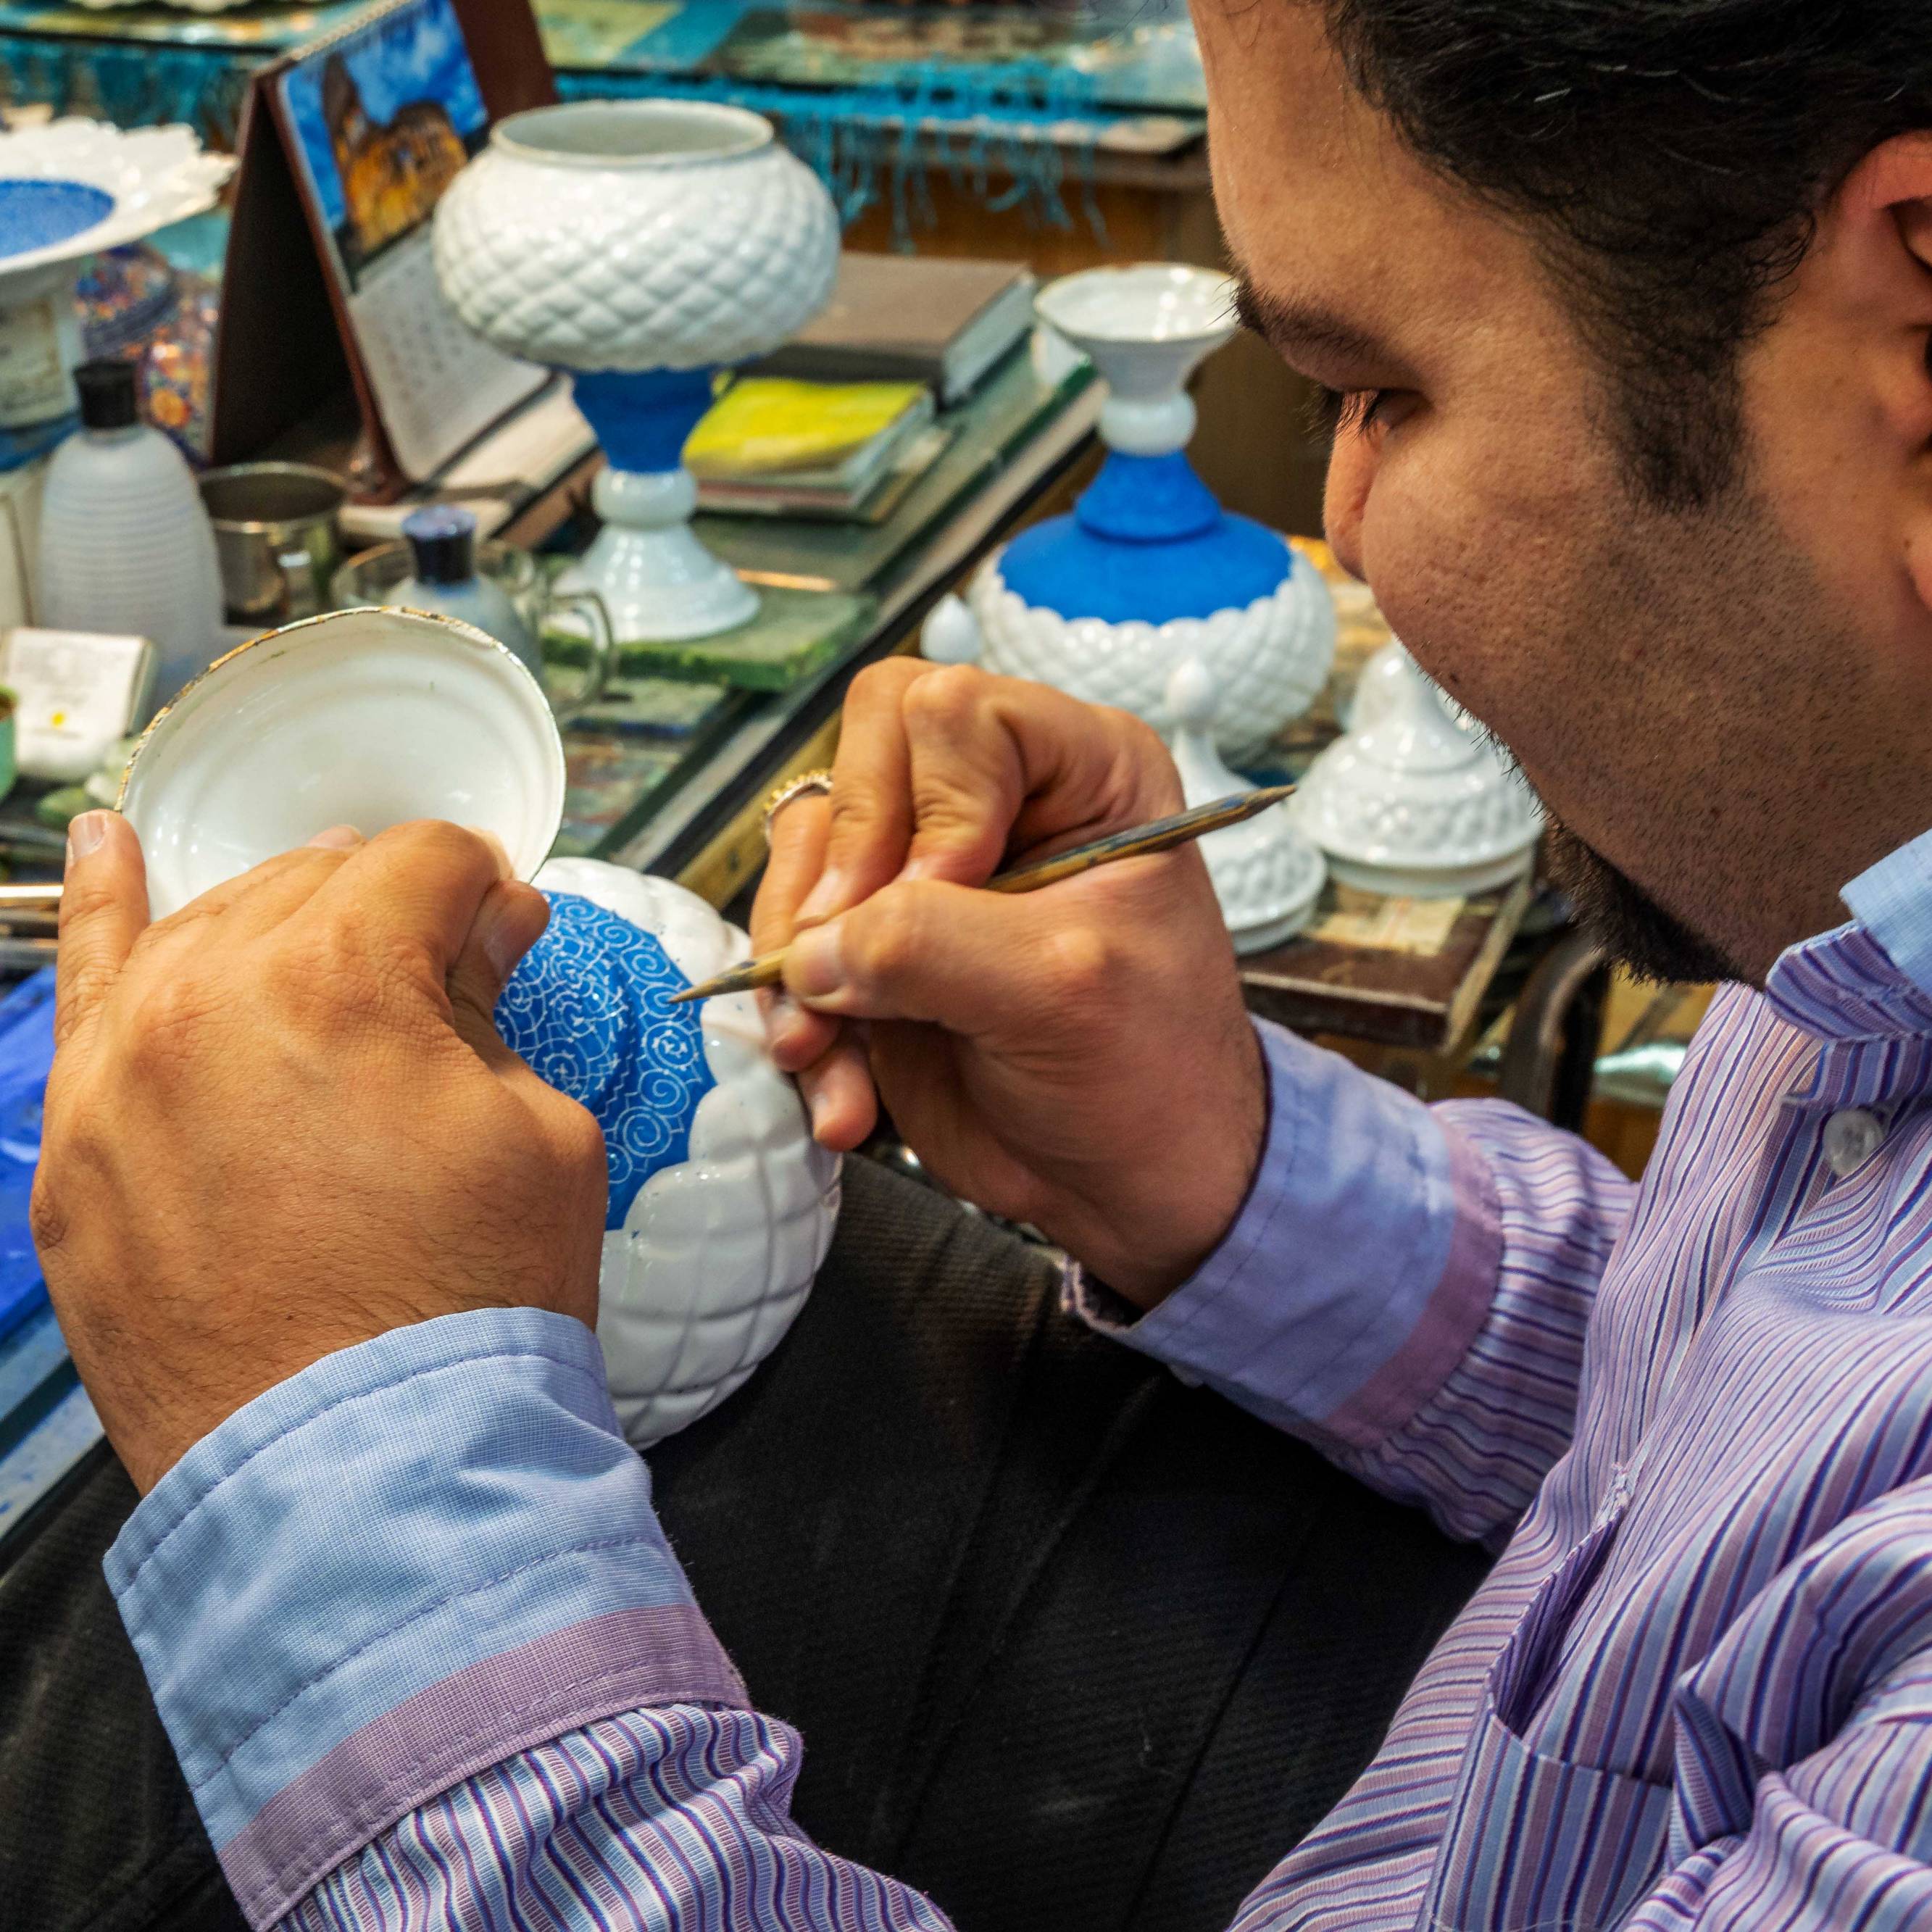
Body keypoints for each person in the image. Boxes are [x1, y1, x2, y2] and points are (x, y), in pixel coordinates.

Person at [15, 0, 1932, 1925]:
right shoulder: (1860, 950)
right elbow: (1753, 1422)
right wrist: (1239, 1177)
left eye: (1378, 393)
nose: (1340, 520)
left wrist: (357, 1521)